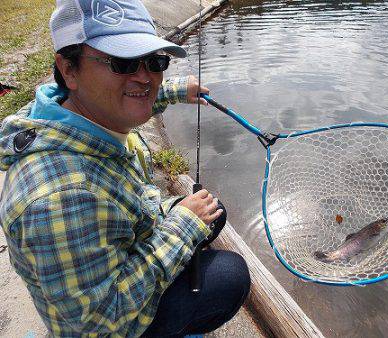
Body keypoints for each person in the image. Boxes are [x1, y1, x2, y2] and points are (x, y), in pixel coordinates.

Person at [0, 0, 250, 337]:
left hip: (126, 232)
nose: (145, 77)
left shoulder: (66, 108)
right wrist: (184, 227)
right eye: (122, 62)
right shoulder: (60, 200)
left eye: (155, 61)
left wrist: (177, 90)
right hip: (106, 324)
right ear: (69, 69)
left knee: (213, 212)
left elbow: (131, 96)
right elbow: (100, 325)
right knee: (230, 275)